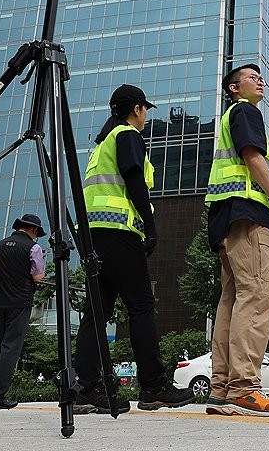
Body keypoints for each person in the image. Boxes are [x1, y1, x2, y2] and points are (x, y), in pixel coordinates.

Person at [71, 84, 192, 414]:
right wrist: (150, 225)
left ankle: (85, 388)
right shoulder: (127, 135)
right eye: (146, 109)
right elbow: (134, 178)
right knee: (140, 305)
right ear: (137, 109)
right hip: (119, 233)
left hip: (94, 235)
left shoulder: (101, 145)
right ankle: (153, 386)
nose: (146, 115)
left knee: (98, 311)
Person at [203, 64, 269, 418]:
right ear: (233, 88)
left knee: (233, 299)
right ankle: (244, 388)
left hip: (226, 216)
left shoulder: (231, 116)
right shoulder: (245, 111)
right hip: (248, 214)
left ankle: (222, 389)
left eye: (261, 77)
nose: (260, 80)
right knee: (257, 295)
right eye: (251, 77)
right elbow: (253, 157)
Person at [0, 214, 47, 410]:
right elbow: (38, 277)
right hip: (20, 302)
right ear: (33, 230)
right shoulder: (33, 248)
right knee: (10, 348)